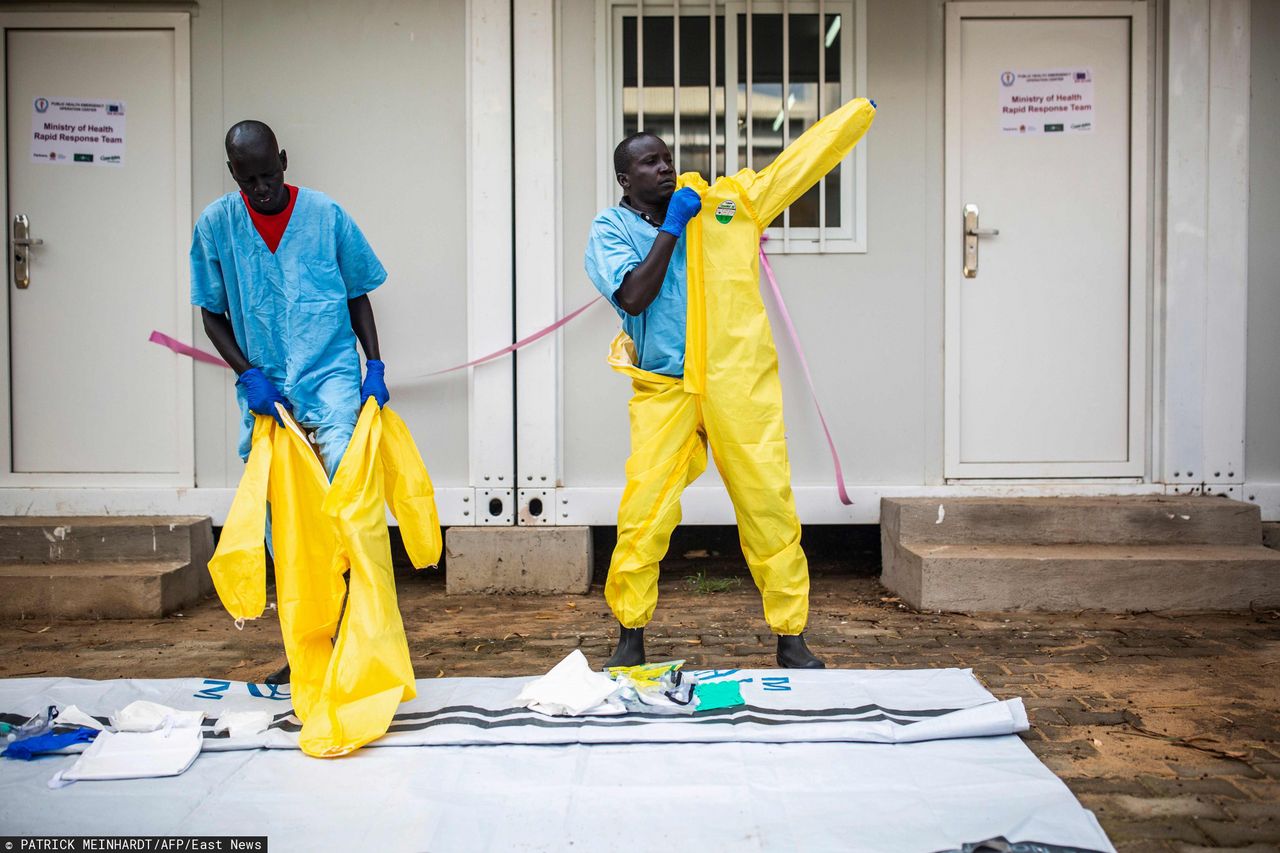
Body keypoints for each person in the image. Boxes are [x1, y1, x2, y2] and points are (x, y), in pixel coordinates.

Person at [585, 97, 876, 670]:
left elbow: (797, 166)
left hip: (737, 383)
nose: (664, 167)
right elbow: (634, 295)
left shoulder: (728, 207)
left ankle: (791, 635)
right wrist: (673, 227)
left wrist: (855, 116)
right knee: (644, 510)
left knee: (767, 502)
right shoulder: (610, 229)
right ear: (624, 177)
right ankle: (631, 632)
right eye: (649, 162)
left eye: (667, 158)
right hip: (665, 387)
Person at [191, 120, 391, 684]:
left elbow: (358, 295)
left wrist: (373, 365)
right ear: (233, 174)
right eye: (248, 178)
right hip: (268, 388)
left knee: (348, 501)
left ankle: (362, 636)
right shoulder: (217, 226)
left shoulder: (325, 216)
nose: (261, 188)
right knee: (289, 523)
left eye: (269, 174)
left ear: (284, 159)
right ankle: (310, 645)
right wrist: (249, 374)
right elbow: (212, 311)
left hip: (329, 376)